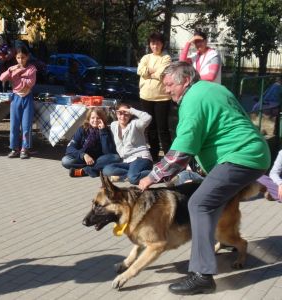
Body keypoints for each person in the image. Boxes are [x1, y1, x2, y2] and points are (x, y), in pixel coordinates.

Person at [138, 61, 270, 295]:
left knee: (199, 203)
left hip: (240, 156)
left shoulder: (193, 99)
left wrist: (152, 176)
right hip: (253, 153)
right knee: (209, 203)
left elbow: (182, 148)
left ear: (186, 81)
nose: (166, 90)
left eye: (169, 85)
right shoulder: (214, 88)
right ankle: (227, 242)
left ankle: (202, 275)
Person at [137, 32, 172, 162]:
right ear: (149, 44)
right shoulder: (145, 57)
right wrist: (154, 72)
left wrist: (148, 73)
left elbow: (163, 72)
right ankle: (154, 153)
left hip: (162, 98)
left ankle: (168, 156)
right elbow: (140, 70)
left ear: (162, 44)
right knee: (150, 127)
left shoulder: (166, 58)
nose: (155, 45)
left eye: (157, 43)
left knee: (162, 128)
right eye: (152, 43)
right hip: (146, 97)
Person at [0, 44, 36, 159]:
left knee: (26, 125)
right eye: (18, 58)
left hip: (27, 98)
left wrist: (18, 79)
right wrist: (11, 70)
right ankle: (14, 148)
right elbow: (1, 78)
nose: (21, 60)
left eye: (23, 57)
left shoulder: (31, 68)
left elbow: (30, 83)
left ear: (27, 57)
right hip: (15, 98)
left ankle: (24, 148)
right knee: (14, 124)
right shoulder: (13, 68)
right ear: (15, 58)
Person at [61, 108, 120, 178]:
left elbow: (108, 152)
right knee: (66, 161)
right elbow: (70, 148)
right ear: (89, 119)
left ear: (102, 119)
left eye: (98, 118)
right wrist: (83, 155)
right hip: (84, 159)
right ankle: (97, 168)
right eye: (92, 118)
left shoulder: (106, 131)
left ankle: (84, 171)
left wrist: (103, 132)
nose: (95, 120)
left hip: (98, 159)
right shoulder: (82, 129)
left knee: (115, 158)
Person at [102, 103, 153, 184]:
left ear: (130, 115)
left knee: (133, 179)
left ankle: (158, 173)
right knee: (107, 170)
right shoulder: (113, 125)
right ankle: (129, 175)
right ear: (116, 113)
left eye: (126, 114)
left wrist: (131, 110)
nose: (122, 117)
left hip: (141, 158)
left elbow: (148, 118)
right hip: (127, 162)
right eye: (120, 113)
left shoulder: (135, 124)